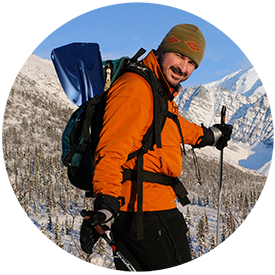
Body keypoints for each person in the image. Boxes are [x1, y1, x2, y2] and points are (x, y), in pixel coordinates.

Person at [82, 23, 232, 271]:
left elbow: (171, 126)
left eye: (192, 63)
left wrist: (210, 135)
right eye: (180, 55)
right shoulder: (136, 89)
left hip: (141, 213)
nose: (183, 68)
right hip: (149, 214)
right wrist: (106, 204)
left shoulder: (156, 87)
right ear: (163, 49)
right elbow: (111, 150)